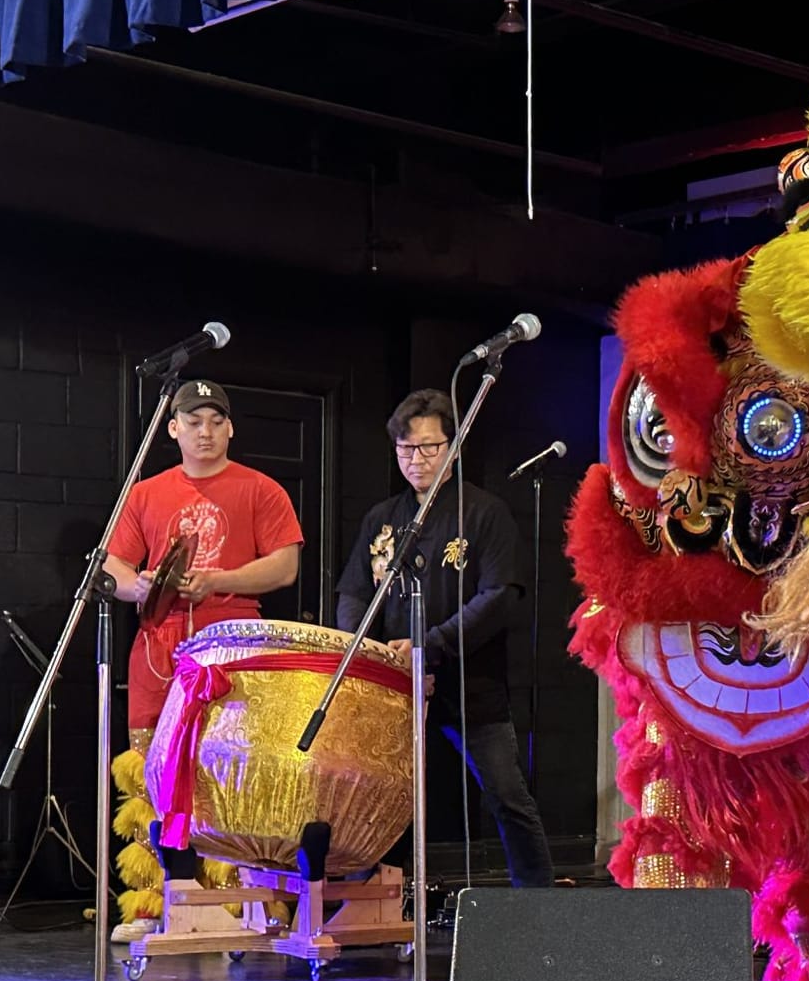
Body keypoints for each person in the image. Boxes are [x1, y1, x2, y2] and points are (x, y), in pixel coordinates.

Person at [102, 380, 305, 938]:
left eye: (216, 421)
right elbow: (113, 567)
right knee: (154, 776)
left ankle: (239, 905)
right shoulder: (145, 493)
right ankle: (156, 907)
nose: (206, 431)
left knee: (230, 771)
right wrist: (138, 588)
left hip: (231, 638)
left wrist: (218, 581)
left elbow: (284, 567)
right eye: (194, 422)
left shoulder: (261, 489)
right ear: (174, 430)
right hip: (159, 641)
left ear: (231, 428)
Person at [337, 389, 553, 888]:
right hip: (393, 683)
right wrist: (364, 649)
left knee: (505, 793)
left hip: (467, 682)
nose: (418, 459)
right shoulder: (383, 518)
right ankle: (374, 902)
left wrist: (431, 645)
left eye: (430, 447)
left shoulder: (484, 512)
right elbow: (351, 592)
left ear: (453, 448)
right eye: (407, 449)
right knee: (373, 796)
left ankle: (541, 904)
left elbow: (498, 596)